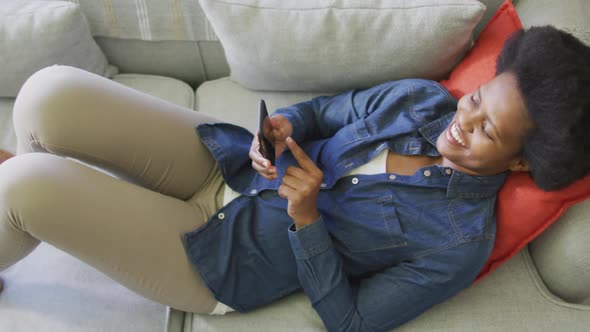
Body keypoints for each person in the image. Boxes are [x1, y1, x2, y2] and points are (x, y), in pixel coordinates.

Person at [0, 26, 588, 331]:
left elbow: (351, 322)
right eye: (478, 99)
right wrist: (284, 126)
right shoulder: (422, 99)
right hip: (226, 159)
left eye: (487, 131)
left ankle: (33, 211)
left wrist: (307, 222)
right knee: (46, 95)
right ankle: (47, 223)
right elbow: (326, 112)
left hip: (224, 257)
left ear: (520, 163)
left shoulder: (459, 242)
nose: (463, 121)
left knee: (24, 187)